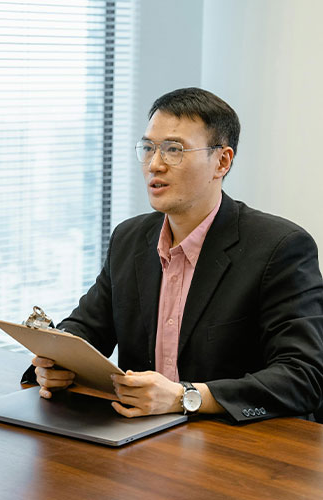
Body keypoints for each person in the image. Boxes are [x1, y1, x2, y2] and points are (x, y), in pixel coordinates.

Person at [27, 87, 323, 423]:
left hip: (236, 447)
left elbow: (304, 377)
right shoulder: (130, 238)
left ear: (221, 161)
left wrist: (187, 397)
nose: (155, 164)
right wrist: (58, 364)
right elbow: (86, 328)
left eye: (173, 150)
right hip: (141, 437)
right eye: (148, 148)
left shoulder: (280, 248)